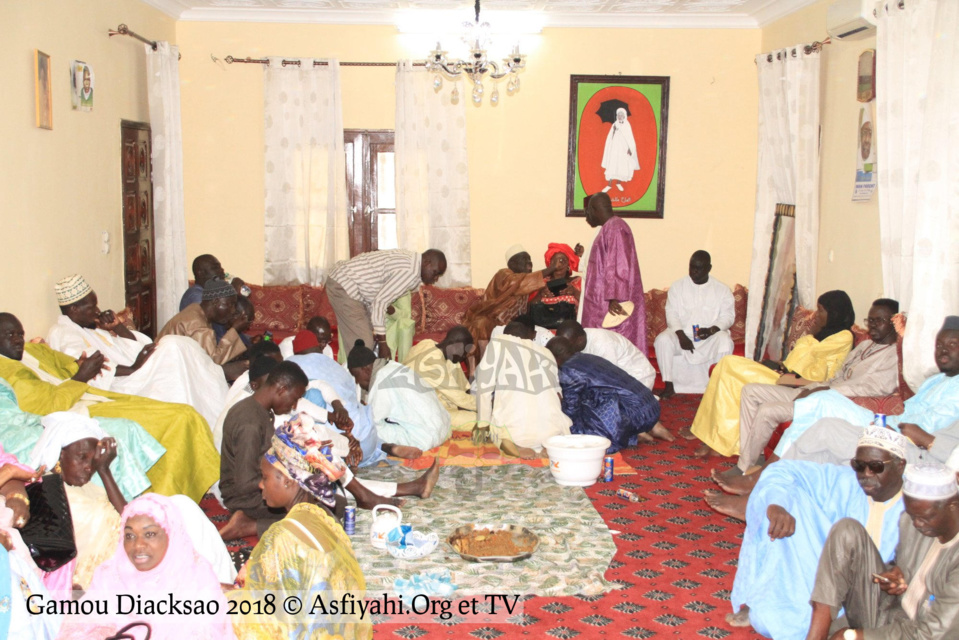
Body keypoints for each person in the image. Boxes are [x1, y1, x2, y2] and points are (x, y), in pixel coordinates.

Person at [0, 312, 219, 501]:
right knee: (173, 419)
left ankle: (183, 493)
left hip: (88, 396)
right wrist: (80, 377)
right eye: (10, 335)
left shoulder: (32, 350)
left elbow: (65, 363)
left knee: (182, 411)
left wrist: (79, 366)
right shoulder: (6, 371)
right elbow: (44, 406)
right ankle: (161, 497)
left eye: (20, 334)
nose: (18, 340)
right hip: (73, 409)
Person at [721, 427, 908, 639]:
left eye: (876, 467)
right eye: (859, 465)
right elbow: (782, 470)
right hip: (829, 584)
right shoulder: (847, 481)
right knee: (766, 620)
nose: (866, 474)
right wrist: (777, 506)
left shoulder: (918, 507)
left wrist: (900, 579)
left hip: (879, 600)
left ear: (900, 466)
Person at [29, 414, 236, 592]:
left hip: (130, 550)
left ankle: (217, 583)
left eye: (93, 460)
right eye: (81, 458)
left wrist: (104, 471)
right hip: (109, 570)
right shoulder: (46, 492)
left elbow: (127, 514)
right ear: (60, 454)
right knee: (180, 520)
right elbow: (127, 520)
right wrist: (104, 472)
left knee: (183, 507)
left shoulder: (87, 487)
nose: (87, 467)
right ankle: (213, 587)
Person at [720, 299, 900, 481]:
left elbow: (872, 387)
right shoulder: (865, 345)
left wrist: (823, 391)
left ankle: (744, 468)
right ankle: (754, 456)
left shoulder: (893, 355)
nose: (873, 325)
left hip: (830, 403)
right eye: (870, 320)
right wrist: (813, 387)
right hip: (818, 391)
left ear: (893, 322)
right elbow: (836, 375)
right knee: (750, 391)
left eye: (879, 320)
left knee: (768, 410)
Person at [228, 432, 371, 640]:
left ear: (287, 481)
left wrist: (229, 597)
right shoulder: (324, 517)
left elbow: (268, 615)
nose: (260, 485)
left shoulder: (281, 537)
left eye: (265, 477)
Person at [687, 290, 856, 459]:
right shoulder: (824, 334)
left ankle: (719, 442)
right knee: (726, 363)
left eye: (821, 310)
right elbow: (799, 356)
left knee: (731, 370)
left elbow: (813, 362)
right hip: (782, 373)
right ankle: (712, 437)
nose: (816, 315)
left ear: (834, 313)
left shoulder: (844, 336)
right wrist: (777, 364)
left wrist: (812, 335)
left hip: (794, 383)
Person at [47, 274, 230, 428]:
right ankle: (209, 417)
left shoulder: (87, 327)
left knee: (179, 345)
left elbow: (134, 346)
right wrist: (134, 368)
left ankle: (218, 409)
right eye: (91, 307)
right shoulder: (63, 332)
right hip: (122, 383)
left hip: (136, 369)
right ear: (73, 309)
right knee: (173, 348)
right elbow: (88, 367)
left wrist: (118, 327)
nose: (97, 311)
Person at [772, 315, 959, 464]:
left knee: (822, 403)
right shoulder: (936, 380)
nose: (942, 351)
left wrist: (892, 429)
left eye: (952, 345)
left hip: (898, 438)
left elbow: (929, 429)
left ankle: (768, 472)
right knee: (821, 403)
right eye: (939, 345)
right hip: (887, 424)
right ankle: (771, 474)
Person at [805, 462, 959, 640]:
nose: (917, 524)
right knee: (846, 530)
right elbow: (902, 564)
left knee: (843, 636)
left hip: (919, 631)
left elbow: (931, 634)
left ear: (953, 506)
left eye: (925, 517)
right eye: (912, 515)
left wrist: (854, 636)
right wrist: (894, 574)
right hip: (891, 611)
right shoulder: (912, 521)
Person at [58, 494, 235, 640]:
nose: (138, 545)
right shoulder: (110, 575)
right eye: (129, 535)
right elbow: (78, 628)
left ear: (170, 534)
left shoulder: (196, 578)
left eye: (149, 534)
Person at [288, 346, 422, 468]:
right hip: (365, 438)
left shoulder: (290, 370)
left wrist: (340, 423)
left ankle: (380, 448)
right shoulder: (334, 365)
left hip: (346, 449)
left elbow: (306, 403)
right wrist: (339, 411)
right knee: (362, 412)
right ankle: (386, 446)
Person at [219, 361, 308, 540]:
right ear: (282, 389)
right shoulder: (249, 422)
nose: (293, 406)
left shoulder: (259, 410)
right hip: (247, 499)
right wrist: (288, 480)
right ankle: (249, 525)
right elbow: (245, 483)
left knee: (327, 502)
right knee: (319, 515)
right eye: (294, 398)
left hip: (264, 488)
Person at [547, 337, 668, 451]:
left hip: (634, 414)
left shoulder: (568, 370)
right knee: (590, 401)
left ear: (554, 358)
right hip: (652, 407)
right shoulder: (588, 357)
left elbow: (571, 410)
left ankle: (632, 436)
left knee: (576, 429)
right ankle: (645, 429)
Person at [326, 248, 446, 362]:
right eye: (435, 273)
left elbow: (379, 299)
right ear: (427, 262)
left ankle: (357, 378)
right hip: (345, 284)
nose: (436, 279)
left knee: (364, 344)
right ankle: (355, 381)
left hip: (353, 288)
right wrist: (383, 343)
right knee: (364, 345)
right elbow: (380, 302)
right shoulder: (409, 271)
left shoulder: (412, 264)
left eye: (439, 276)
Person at [474, 320, 572, 459]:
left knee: (495, 431)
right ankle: (547, 446)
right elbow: (558, 395)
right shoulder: (546, 352)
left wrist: (482, 425)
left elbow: (484, 388)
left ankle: (513, 445)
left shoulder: (498, 343)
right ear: (530, 336)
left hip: (516, 434)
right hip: (552, 431)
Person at [653, 251, 736, 398]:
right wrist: (680, 335)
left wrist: (712, 330)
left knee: (725, 340)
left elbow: (728, 316)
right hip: (681, 334)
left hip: (708, 337)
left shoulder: (722, 289)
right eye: (692, 267)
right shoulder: (678, 287)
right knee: (662, 340)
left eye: (699, 268)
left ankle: (716, 386)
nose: (694, 272)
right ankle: (669, 385)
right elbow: (671, 313)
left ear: (709, 268)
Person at [348, 340, 452, 452]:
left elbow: (374, 419)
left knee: (367, 428)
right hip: (444, 429)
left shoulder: (382, 379)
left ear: (366, 369)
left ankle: (391, 448)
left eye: (355, 376)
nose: (357, 382)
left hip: (424, 438)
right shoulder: (393, 366)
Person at [579, 192, 647, 352]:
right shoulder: (608, 228)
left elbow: (619, 264)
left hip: (611, 305)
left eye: (588, 211)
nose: (587, 215)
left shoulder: (615, 227)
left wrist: (615, 297)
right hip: (601, 301)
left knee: (611, 348)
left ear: (594, 209)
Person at [464, 245, 569, 346]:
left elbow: (525, 313)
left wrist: (540, 295)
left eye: (530, 259)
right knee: (482, 324)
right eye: (524, 259)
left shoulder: (526, 286)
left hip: (513, 328)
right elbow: (516, 283)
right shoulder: (504, 274)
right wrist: (551, 268)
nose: (530, 262)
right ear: (512, 264)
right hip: (491, 320)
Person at [158, 278, 249, 367]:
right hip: (167, 369)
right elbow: (212, 363)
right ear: (216, 302)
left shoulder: (196, 308)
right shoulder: (197, 325)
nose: (233, 310)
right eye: (230, 305)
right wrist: (235, 330)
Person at [402, 325, 477, 430]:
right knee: (479, 420)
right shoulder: (433, 363)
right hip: (419, 410)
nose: (465, 356)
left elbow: (461, 393)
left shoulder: (427, 343)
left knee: (453, 362)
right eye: (464, 352)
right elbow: (459, 398)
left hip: (428, 398)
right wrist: (487, 405)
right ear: (456, 347)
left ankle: (466, 403)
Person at [556, 319, 657, 391]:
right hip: (618, 379)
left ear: (580, 340)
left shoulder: (603, 344)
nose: (565, 349)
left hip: (638, 379)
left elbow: (609, 379)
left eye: (568, 345)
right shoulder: (579, 338)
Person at [179, 254, 245, 311]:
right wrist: (232, 291)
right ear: (200, 273)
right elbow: (207, 318)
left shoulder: (211, 294)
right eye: (215, 268)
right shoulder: (195, 295)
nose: (222, 270)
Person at [529, 243, 583, 307]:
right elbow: (527, 310)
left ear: (568, 265)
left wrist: (575, 292)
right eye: (554, 261)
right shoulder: (542, 282)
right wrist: (540, 295)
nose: (558, 265)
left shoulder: (578, 282)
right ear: (550, 264)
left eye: (562, 260)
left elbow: (592, 306)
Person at [601, 107, 640, 192]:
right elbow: (610, 137)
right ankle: (609, 185)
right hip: (614, 148)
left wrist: (630, 148)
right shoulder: (614, 124)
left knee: (622, 165)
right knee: (612, 164)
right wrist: (614, 131)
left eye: (621, 115)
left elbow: (630, 138)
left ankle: (618, 183)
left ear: (624, 115)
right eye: (618, 115)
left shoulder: (627, 125)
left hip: (623, 149)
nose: (620, 116)